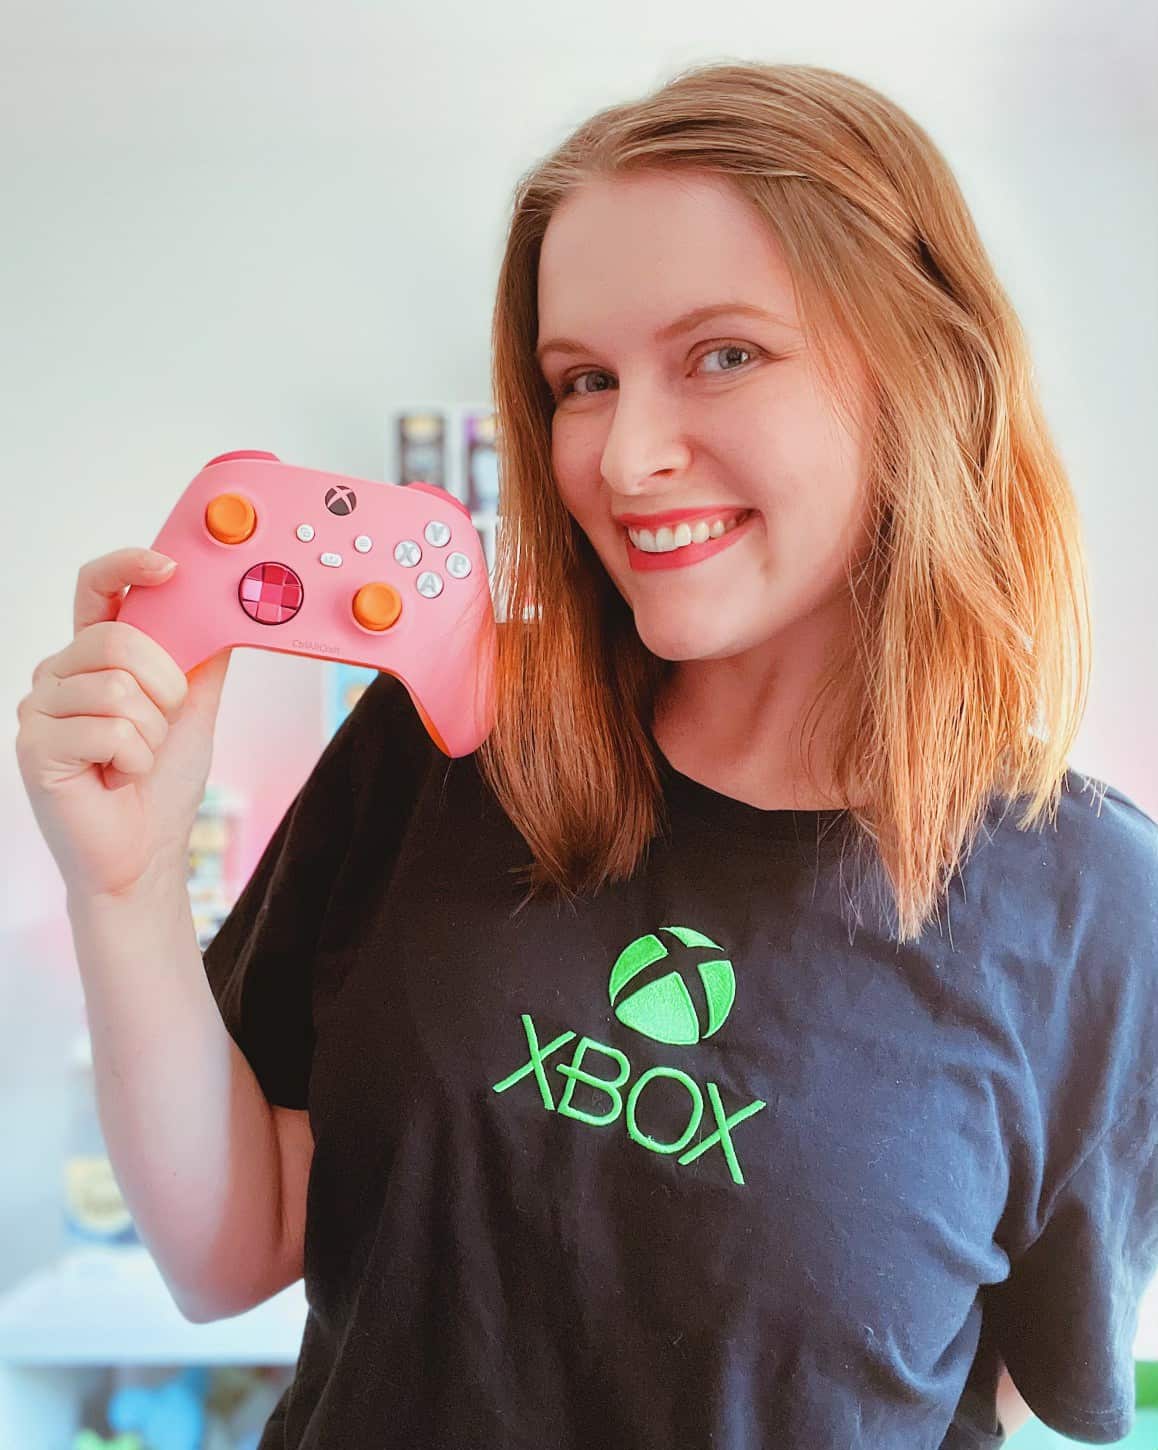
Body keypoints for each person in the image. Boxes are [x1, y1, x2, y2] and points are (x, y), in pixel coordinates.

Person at [15, 59, 1158, 1450]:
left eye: (721, 354)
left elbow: (1019, 1388)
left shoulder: (1093, 901)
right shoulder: (448, 734)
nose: (622, 457)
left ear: (926, 364)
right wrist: (121, 889)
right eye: (581, 380)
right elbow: (230, 1251)